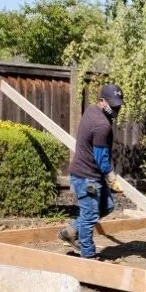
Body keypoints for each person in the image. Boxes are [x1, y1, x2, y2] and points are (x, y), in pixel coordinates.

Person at [59, 83, 125, 259]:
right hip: (86, 178)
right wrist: (112, 180)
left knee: (107, 206)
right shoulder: (102, 125)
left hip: (90, 173)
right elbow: (101, 160)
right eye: (113, 105)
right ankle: (88, 255)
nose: (116, 108)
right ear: (102, 101)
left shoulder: (91, 110)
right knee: (89, 217)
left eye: (118, 105)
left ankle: (71, 231)